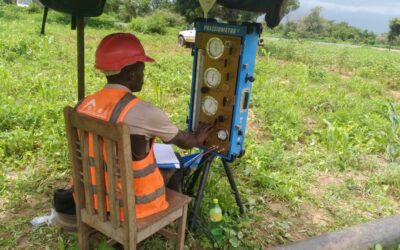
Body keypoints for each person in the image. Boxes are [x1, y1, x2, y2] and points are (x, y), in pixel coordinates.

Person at [74, 32, 213, 219]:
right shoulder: (144, 112)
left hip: (91, 198)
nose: (143, 76)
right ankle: (171, 219)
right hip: (130, 206)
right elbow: (185, 142)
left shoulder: (82, 105)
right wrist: (197, 137)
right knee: (177, 163)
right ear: (131, 74)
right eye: (142, 71)